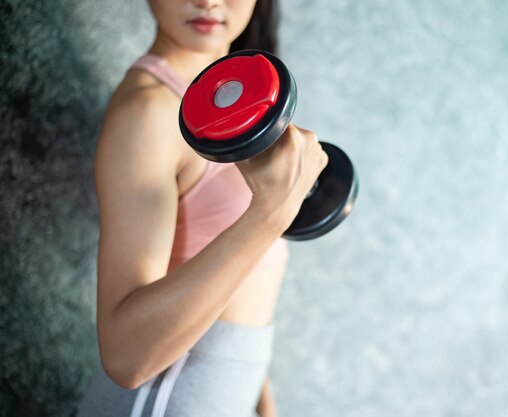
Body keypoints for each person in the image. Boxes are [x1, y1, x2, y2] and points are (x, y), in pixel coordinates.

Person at [75, 0, 327, 416]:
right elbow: (126, 357)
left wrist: (260, 402)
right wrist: (270, 213)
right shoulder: (150, 111)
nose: (208, 0)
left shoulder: (243, 100)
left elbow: (228, 290)